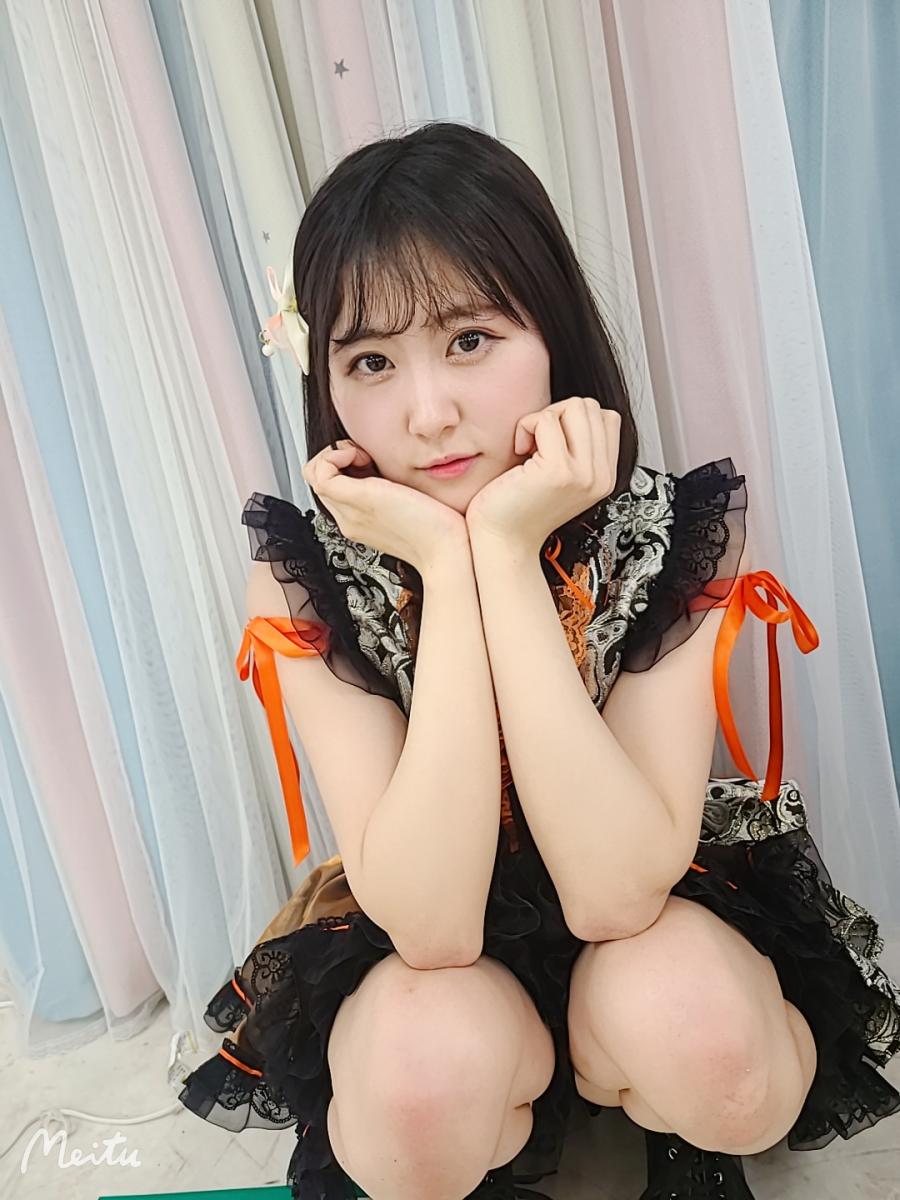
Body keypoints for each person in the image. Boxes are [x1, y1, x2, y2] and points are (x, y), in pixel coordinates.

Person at [178, 122, 900, 1200]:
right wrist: (444, 562)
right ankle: (497, 1133)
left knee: (729, 1070)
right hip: (435, 949)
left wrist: (509, 553)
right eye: (371, 362)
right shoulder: (305, 571)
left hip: (641, 904)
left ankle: (655, 1115)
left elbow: (616, 895)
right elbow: (430, 925)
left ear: (550, 329)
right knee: (414, 1105)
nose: (428, 413)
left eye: (470, 339)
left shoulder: (671, 530)